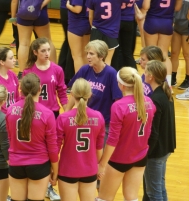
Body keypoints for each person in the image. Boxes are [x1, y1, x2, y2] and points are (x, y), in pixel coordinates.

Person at [96, 67, 156, 201]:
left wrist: (102, 164)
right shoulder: (149, 102)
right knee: (132, 198)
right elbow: (149, 132)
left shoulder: (119, 106)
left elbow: (112, 139)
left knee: (104, 198)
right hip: (140, 157)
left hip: (119, 158)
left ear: (121, 85)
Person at [6, 73, 59, 201]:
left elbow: (9, 139)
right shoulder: (47, 114)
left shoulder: (10, 110)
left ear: (20, 89)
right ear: (40, 89)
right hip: (39, 164)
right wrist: (55, 170)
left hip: (16, 163)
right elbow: (52, 146)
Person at [56, 78, 105, 201]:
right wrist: (100, 166)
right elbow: (99, 149)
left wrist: (53, 170)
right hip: (90, 170)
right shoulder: (98, 117)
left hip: (67, 170)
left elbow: (55, 149)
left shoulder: (63, 118)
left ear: (71, 94)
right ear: (90, 94)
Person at [66, 40, 122, 143]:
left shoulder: (111, 73)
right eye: (87, 53)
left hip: (104, 123)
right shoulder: (84, 70)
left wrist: (115, 124)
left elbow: (117, 100)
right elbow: (74, 93)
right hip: (84, 120)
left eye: (91, 54)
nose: (88, 56)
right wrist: (66, 113)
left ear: (101, 56)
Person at [143, 60, 176, 201]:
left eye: (145, 71)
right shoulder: (165, 93)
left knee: (154, 193)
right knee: (160, 188)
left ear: (151, 76)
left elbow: (154, 131)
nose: (143, 74)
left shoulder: (155, 99)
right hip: (165, 148)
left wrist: (147, 153)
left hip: (156, 152)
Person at [10, 0, 57, 79]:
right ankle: (53, 71)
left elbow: (14, 1)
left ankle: (22, 72)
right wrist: (41, 5)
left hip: (24, 12)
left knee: (23, 44)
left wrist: (13, 16)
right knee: (48, 42)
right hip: (40, 12)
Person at [142, 0, 183, 89]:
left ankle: (149, 85)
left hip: (152, 20)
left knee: (151, 55)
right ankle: (168, 85)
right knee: (164, 54)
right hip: (167, 22)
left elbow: (146, 6)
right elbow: (177, 8)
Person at [23, 38, 68, 118]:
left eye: (48, 50)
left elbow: (62, 93)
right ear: (35, 52)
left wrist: (67, 112)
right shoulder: (28, 71)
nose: (47, 53)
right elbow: (24, 95)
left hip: (53, 111)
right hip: (35, 112)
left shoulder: (57, 69)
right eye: (43, 51)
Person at [87, 0, 122, 65]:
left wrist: (94, 28)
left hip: (96, 30)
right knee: (107, 61)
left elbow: (90, 17)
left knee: (93, 60)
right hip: (111, 31)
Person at [111, 0, 137, 71]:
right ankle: (135, 75)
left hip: (117, 20)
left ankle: (115, 76)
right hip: (129, 21)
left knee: (116, 51)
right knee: (127, 52)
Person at [67, 0, 91, 73]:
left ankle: (80, 83)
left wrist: (68, 6)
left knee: (77, 56)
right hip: (87, 24)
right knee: (85, 55)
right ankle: (86, 80)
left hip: (76, 24)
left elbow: (77, 9)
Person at [171, 0, 189, 89]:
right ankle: (173, 76)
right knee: (174, 53)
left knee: (187, 54)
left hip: (187, 27)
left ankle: (188, 79)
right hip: (177, 27)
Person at [58, 0, 75, 84]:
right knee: (72, 43)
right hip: (73, 9)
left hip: (65, 8)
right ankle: (68, 76)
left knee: (68, 42)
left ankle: (61, 74)